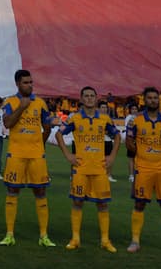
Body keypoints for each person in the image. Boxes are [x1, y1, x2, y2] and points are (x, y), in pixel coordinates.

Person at [59, 85, 119, 253]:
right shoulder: (75, 119)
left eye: (92, 95)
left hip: (99, 168)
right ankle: (75, 238)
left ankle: (105, 240)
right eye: (86, 96)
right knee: (77, 202)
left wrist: (112, 156)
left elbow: (117, 136)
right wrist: (68, 156)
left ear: (96, 98)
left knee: (103, 204)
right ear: (81, 99)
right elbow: (59, 134)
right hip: (81, 168)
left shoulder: (105, 119)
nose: (89, 98)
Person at [124, 87, 161, 254]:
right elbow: (129, 142)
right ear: (144, 100)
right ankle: (135, 241)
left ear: (159, 100)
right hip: (143, 168)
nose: (152, 101)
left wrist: (158, 154)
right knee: (139, 203)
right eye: (149, 98)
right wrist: (142, 155)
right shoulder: (135, 120)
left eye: (155, 98)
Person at [0, 69, 53, 247]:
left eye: (31, 82)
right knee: (12, 192)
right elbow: (7, 123)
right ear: (17, 84)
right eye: (25, 83)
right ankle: (9, 234)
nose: (29, 85)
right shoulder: (10, 102)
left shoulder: (40, 103)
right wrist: (21, 107)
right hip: (16, 154)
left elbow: (47, 127)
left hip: (36, 155)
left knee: (40, 192)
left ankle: (43, 236)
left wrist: (39, 144)